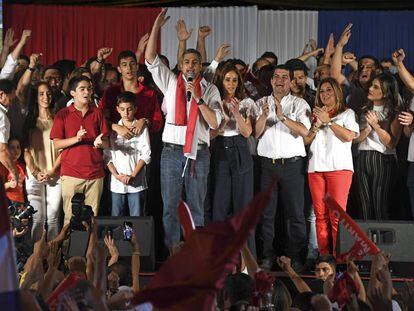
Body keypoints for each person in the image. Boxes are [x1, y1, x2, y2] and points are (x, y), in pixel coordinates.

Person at [145, 9, 222, 254]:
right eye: (186, 61)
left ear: (201, 66)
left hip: (198, 154)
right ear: (181, 64)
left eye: (195, 62)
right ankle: (173, 251)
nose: (190, 65)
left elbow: (215, 122)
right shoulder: (169, 81)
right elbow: (150, 60)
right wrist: (156, 27)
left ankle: (194, 251)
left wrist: (198, 99)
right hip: (171, 153)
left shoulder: (210, 90)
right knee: (170, 205)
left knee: (196, 206)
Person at [254, 64, 311, 271]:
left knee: (295, 214)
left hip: (292, 166)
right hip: (268, 166)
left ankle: (296, 258)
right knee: (267, 214)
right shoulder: (260, 102)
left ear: (291, 81)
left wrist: (282, 117)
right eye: (276, 77)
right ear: (271, 81)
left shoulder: (299, 103)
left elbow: (305, 131)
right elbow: (256, 133)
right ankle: (267, 256)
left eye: (284, 77)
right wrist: (263, 116)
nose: (279, 80)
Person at [304, 78, 359, 255]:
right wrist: (316, 124)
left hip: (339, 169)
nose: (325, 94)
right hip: (315, 168)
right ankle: (325, 257)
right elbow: (306, 141)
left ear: (337, 92)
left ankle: (340, 257)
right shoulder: (314, 115)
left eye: (329, 90)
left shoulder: (347, 113)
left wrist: (328, 121)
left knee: (337, 216)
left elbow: (349, 136)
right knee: (320, 216)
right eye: (321, 91)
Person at [50, 76, 109, 225]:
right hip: (71, 174)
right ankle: (68, 248)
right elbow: (56, 144)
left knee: (91, 220)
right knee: (70, 220)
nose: (86, 92)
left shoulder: (97, 113)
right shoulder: (63, 114)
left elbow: (107, 143)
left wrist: (101, 143)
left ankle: (90, 248)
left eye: (89, 89)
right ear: (72, 93)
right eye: (82, 89)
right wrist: (76, 138)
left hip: (95, 174)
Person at [210, 64, 255, 253]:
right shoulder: (214, 101)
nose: (231, 83)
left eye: (234, 80)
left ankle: (246, 258)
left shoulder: (247, 103)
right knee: (219, 206)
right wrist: (223, 122)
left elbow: (247, 132)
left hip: (240, 150)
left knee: (243, 207)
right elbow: (210, 135)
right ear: (221, 80)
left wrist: (236, 112)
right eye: (227, 79)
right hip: (219, 151)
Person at [354, 73, 403, 220]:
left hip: (383, 160)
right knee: (364, 207)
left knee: (380, 205)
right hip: (362, 157)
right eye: (371, 85)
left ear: (386, 92)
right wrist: (367, 129)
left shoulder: (394, 112)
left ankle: (380, 242)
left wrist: (376, 125)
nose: (370, 88)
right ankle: (365, 243)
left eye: (375, 87)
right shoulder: (363, 110)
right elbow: (355, 139)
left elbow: (391, 143)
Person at [24, 82, 62, 241]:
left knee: (53, 219)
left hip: (55, 174)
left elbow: (63, 150)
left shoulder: (58, 119)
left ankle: (53, 259)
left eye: (48, 93)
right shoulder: (29, 122)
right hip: (35, 176)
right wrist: (35, 172)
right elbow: (25, 151)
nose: (45, 97)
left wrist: (52, 170)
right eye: (41, 94)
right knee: (38, 219)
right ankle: (35, 259)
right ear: (36, 97)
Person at [105, 91, 151, 216]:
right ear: (117, 109)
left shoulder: (142, 128)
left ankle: (136, 236)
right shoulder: (113, 130)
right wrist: (116, 175)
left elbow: (146, 154)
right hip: (117, 183)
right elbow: (107, 156)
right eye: (123, 109)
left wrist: (133, 175)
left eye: (129, 109)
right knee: (116, 218)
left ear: (135, 109)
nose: (126, 113)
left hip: (137, 183)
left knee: (137, 220)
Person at [0, 79, 19, 187]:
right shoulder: (1, 116)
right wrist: (14, 172)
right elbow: (2, 150)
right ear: (1, 94)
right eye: (10, 100)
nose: (11, 104)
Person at [0, 137, 26, 207]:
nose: (16, 151)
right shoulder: (3, 166)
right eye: (12, 148)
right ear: (7, 149)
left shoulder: (22, 166)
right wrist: (9, 184)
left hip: (20, 201)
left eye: (18, 147)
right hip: (7, 201)